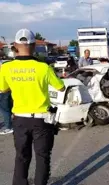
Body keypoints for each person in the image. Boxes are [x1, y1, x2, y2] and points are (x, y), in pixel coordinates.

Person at [0, 28, 65, 185]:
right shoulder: (43, 68)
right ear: (34, 46)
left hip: (20, 120)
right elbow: (61, 87)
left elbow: (3, 89)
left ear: (15, 45)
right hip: (41, 120)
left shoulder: (6, 68)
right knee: (42, 156)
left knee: (21, 156)